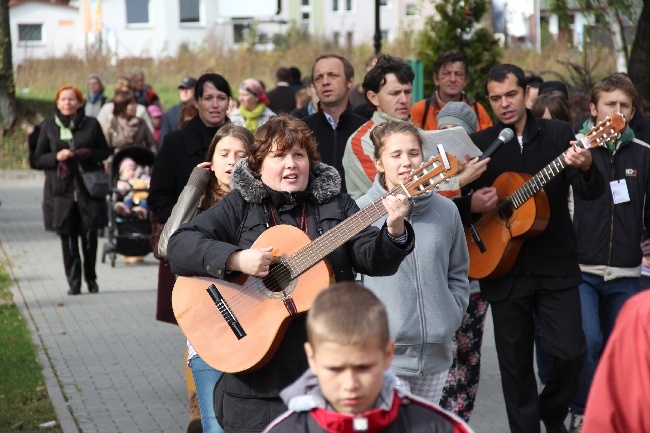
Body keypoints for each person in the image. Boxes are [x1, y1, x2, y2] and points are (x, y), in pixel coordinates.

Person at [167, 114, 415, 433]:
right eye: (279, 155)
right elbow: (180, 245)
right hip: (255, 385)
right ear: (258, 165)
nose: (291, 164)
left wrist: (394, 230)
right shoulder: (241, 206)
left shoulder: (336, 205)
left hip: (323, 379)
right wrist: (236, 259)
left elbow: (371, 258)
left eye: (298, 155)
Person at [467, 64, 605, 433]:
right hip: (502, 268)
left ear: (526, 92)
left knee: (573, 351)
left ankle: (552, 409)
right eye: (495, 98)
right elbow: (461, 201)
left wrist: (589, 165)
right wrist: (472, 204)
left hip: (554, 265)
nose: (504, 104)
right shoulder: (483, 144)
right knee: (514, 368)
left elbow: (591, 191)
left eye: (511, 95)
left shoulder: (559, 133)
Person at [357, 120, 470, 404]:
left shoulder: (447, 211)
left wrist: (450, 315)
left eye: (413, 153)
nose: (406, 162)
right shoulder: (359, 213)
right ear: (379, 163)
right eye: (395, 155)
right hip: (383, 356)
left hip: (436, 354)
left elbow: (458, 272)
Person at [262, 282, 474, 433]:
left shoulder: (438, 427)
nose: (350, 384)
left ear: (387, 355)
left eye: (363, 368)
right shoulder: (285, 429)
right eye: (335, 369)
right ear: (313, 359)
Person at [567, 73, 650, 433]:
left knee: (622, 351)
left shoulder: (644, 155)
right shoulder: (574, 150)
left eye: (624, 106)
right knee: (589, 341)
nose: (617, 111)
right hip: (582, 267)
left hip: (628, 270)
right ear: (593, 109)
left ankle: (615, 416)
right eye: (609, 104)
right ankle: (584, 409)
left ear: (632, 112)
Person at [162, 125, 254, 433]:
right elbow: (167, 246)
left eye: (241, 155)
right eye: (224, 154)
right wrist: (194, 185)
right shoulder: (199, 205)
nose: (231, 162)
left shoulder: (261, 205)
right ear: (210, 162)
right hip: (208, 328)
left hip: (256, 327)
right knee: (214, 426)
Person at [434, 102, 494, 422]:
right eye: (443, 133)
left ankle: (459, 421)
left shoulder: (483, 170)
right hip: (436, 282)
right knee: (442, 358)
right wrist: (465, 198)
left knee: (468, 357)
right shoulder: (427, 173)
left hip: (473, 279)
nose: (449, 142)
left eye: (458, 135)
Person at [34, 85, 111, 295]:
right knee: (67, 238)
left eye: (71, 99)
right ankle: (73, 282)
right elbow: (37, 158)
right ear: (57, 103)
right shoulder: (49, 126)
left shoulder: (91, 125)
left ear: (79, 102)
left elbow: (105, 151)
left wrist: (87, 154)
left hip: (88, 190)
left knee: (89, 237)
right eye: (63, 100)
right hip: (61, 191)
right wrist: (56, 157)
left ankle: (91, 279)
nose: (67, 103)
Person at [342, 54, 415, 199]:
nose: (403, 100)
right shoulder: (360, 142)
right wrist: (457, 183)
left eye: (407, 92)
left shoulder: (419, 132)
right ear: (373, 97)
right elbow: (392, 193)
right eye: (394, 93)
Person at [581, 290, 650, 433]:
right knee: (590, 342)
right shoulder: (642, 313)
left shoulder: (641, 313)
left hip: (624, 277)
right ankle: (578, 407)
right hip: (587, 276)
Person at [302, 54, 367, 193]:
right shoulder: (301, 131)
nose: (325, 82)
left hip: (359, 210)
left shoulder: (367, 130)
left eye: (332, 75)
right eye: (319, 78)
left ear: (350, 81)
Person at [410, 50, 492, 132]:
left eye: (458, 74)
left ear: (465, 79)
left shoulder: (477, 111)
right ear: (436, 78)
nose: (453, 79)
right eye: (446, 73)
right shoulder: (420, 110)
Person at [104, 89, 157, 155]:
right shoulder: (111, 125)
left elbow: (151, 144)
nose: (136, 106)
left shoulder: (141, 123)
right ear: (122, 106)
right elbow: (105, 150)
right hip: (117, 161)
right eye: (132, 104)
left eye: (135, 103)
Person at [160, 76, 197, 146]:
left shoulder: (203, 112)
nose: (184, 91)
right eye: (181, 88)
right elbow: (163, 141)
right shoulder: (170, 113)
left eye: (187, 88)